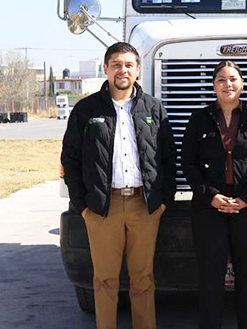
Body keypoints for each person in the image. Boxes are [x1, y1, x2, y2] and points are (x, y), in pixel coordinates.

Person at [60, 42, 175, 329]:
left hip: (144, 206)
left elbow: (168, 158)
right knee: (105, 280)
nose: (122, 70)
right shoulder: (86, 110)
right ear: (106, 68)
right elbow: (70, 160)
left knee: (143, 279)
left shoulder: (154, 108)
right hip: (102, 208)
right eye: (116, 65)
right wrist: (82, 206)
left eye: (128, 65)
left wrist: (164, 201)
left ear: (138, 70)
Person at [181, 60, 247, 329]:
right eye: (221, 79)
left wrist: (246, 199)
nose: (227, 84)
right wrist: (210, 196)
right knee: (211, 278)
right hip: (209, 207)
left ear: (242, 84)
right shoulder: (199, 119)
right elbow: (188, 163)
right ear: (213, 86)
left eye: (233, 79)